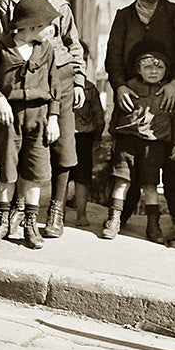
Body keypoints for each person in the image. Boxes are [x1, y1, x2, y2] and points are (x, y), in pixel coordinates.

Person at [0, 0, 86, 240]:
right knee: (18, 150)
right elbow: (0, 43)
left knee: (62, 145)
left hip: (59, 84)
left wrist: (78, 80)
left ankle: (56, 209)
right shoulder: (8, 4)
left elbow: (74, 45)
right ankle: (17, 209)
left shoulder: (60, 6)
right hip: (20, 88)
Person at [104, 0, 175, 229]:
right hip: (131, 97)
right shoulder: (123, 16)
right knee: (129, 158)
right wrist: (120, 85)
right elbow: (112, 57)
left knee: (170, 158)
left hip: (165, 98)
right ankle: (119, 216)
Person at [0, 0, 61, 250]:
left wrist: (54, 118)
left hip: (38, 116)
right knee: (8, 167)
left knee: (35, 171)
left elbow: (54, 85)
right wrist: (1, 99)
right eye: (47, 25)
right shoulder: (0, 48)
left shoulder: (46, 49)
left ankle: (29, 223)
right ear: (31, 26)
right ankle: (3, 219)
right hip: (9, 117)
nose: (51, 30)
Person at [102, 39, 175, 241]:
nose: (153, 71)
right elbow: (116, 114)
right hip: (127, 143)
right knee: (121, 181)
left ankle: (153, 225)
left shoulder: (170, 93)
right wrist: (113, 134)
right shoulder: (129, 88)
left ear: (167, 70)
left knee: (150, 185)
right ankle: (114, 220)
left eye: (159, 67)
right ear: (138, 69)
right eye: (147, 66)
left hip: (154, 145)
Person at [70, 40, 105, 228]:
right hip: (61, 135)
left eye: (82, 61)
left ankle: (81, 213)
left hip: (83, 136)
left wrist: (97, 137)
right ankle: (56, 212)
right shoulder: (57, 85)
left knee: (82, 176)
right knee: (59, 174)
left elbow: (98, 115)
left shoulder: (89, 89)